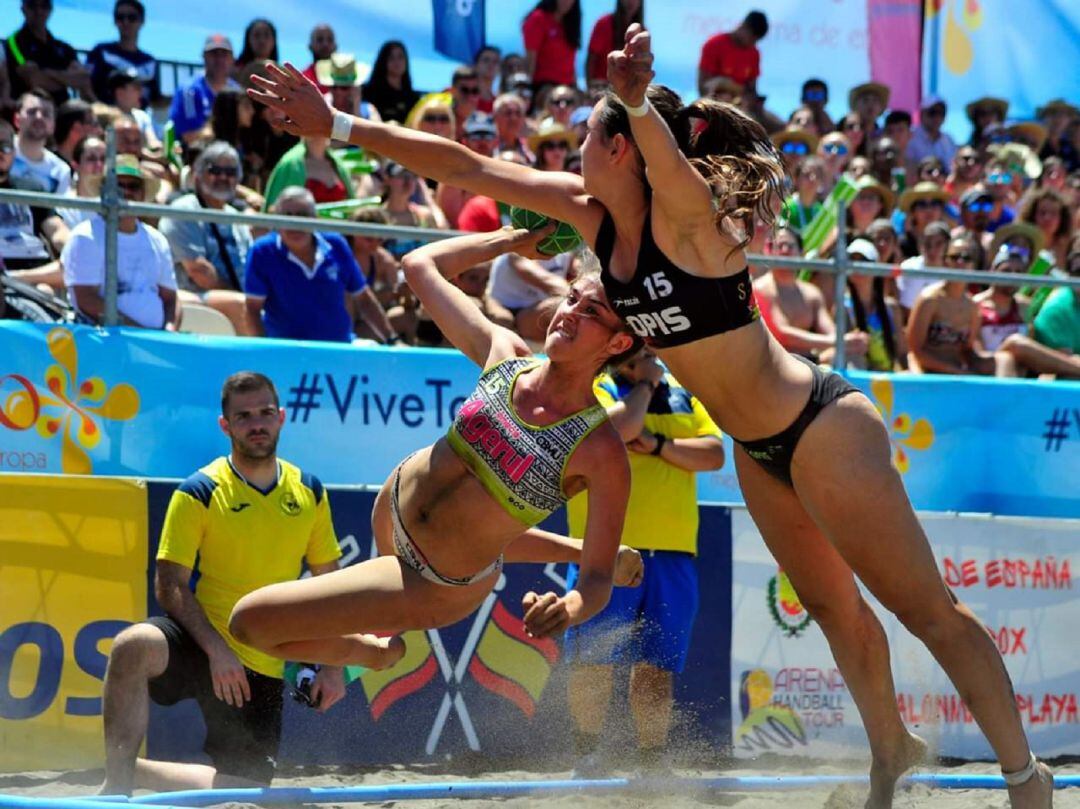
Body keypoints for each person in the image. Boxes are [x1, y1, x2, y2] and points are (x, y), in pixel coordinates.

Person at [250, 27, 1055, 805]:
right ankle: (892, 753)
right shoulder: (593, 221)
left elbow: (672, 170)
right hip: (756, 446)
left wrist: (636, 103)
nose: (572, 152)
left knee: (927, 612)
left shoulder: (691, 223)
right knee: (833, 608)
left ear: (623, 149)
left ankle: (1026, 779)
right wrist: (341, 124)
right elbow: (464, 162)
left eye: (588, 138)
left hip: (819, 423)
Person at [228, 226, 645, 687]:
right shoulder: (505, 353)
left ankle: (367, 653)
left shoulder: (601, 449)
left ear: (619, 343)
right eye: (571, 298)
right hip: (390, 514)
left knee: (249, 621)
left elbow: (598, 579)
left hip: (430, 580)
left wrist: (568, 607)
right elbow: (419, 266)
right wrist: (508, 240)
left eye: (592, 312)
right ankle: (362, 649)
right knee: (494, 514)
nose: (569, 314)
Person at [98, 372, 348, 795]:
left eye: (266, 413)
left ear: (282, 417)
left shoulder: (309, 491)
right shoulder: (200, 490)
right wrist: (217, 650)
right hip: (202, 641)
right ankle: (116, 781)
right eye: (244, 416)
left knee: (246, 792)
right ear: (225, 425)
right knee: (131, 646)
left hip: (264, 661)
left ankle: (135, 770)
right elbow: (170, 585)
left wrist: (335, 665)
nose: (257, 424)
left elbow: (333, 586)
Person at [564, 346, 723, 775]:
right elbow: (619, 429)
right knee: (593, 659)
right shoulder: (593, 383)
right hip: (604, 548)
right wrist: (648, 387)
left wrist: (654, 445)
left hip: (672, 553)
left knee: (657, 665)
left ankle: (652, 762)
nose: (651, 350)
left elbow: (713, 453)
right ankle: (586, 756)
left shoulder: (686, 391)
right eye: (642, 345)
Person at [244, 187, 395, 344]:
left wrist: (393, 340)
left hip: (339, 348)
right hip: (286, 355)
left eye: (302, 215)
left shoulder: (336, 244)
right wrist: (263, 359)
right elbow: (252, 310)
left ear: (315, 218)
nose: (295, 223)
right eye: (287, 216)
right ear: (276, 219)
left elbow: (364, 300)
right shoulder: (262, 251)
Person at [62, 155, 178, 330]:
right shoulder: (85, 236)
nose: (126, 192)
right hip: (106, 341)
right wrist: (139, 334)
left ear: (143, 194)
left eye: (134, 186)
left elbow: (170, 298)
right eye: (118, 186)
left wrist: (170, 334)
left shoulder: (157, 239)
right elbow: (86, 299)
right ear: (104, 192)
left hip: (154, 342)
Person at [159, 142, 252, 334]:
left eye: (231, 172)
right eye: (215, 170)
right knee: (244, 307)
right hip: (194, 300)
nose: (223, 177)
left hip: (236, 300)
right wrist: (240, 297)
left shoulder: (237, 218)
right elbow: (198, 271)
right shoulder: (182, 210)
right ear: (198, 175)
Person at [752, 226, 850, 362]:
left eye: (790, 246)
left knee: (849, 355)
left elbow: (831, 331)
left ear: (801, 253)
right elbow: (782, 333)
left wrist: (843, 342)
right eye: (779, 245)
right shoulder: (760, 289)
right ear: (769, 251)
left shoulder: (812, 293)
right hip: (773, 364)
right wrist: (839, 341)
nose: (785, 251)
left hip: (808, 362)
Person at [906, 235, 990, 375]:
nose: (960, 262)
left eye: (966, 258)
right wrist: (953, 370)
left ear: (974, 265)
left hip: (956, 372)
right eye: (955, 256)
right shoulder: (929, 299)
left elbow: (967, 350)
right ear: (946, 261)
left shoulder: (973, 307)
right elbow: (916, 350)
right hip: (926, 372)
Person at [0, 118, 68, 272]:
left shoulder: (31, 187)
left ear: (14, 151)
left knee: (48, 288)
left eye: (4, 147)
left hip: (32, 273)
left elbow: (56, 229)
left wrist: (70, 246)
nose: (0, 153)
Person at [4, 0, 91, 107]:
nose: (39, 11)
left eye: (44, 6)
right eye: (32, 5)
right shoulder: (13, 43)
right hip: (30, 111)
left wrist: (47, 73)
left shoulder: (64, 47)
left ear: (51, 9)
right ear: (23, 9)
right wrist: (67, 79)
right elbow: (35, 81)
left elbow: (83, 79)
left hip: (63, 111)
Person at [842, 238, 906, 372]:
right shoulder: (843, 307)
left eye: (863, 261)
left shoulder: (891, 307)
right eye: (852, 260)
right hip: (861, 381)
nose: (857, 266)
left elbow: (902, 352)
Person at [170, 35, 242, 145]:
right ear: (203, 56)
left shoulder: (238, 92)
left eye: (224, 54)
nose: (219, 59)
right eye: (214, 54)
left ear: (233, 59)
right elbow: (189, 136)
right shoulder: (188, 91)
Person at [86, 0, 160, 106]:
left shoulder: (150, 62)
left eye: (132, 17)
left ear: (142, 21)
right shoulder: (101, 51)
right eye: (120, 17)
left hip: (138, 119)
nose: (125, 22)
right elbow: (85, 87)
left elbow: (155, 99)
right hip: (105, 118)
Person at [12, 91, 71, 195]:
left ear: (53, 126)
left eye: (46, 114)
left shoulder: (60, 171)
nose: (39, 117)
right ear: (17, 120)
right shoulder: (3, 153)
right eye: (32, 112)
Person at [697, 11, 768, 97]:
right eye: (752, 39)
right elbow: (703, 87)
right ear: (744, 27)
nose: (753, 44)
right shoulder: (714, 45)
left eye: (756, 41)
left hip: (741, 104)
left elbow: (752, 90)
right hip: (716, 103)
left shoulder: (754, 53)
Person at [522, 0, 581, 91]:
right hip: (543, 86)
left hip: (568, 86)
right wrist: (527, 91)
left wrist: (576, 88)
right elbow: (530, 60)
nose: (567, 2)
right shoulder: (538, 18)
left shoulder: (570, 23)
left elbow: (570, 63)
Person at [896, 220, 951, 318]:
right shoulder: (908, 267)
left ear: (947, 245)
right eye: (927, 243)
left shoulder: (952, 273)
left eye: (938, 244)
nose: (932, 249)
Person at [361, 41, 420, 124]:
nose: (397, 62)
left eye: (400, 57)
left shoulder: (413, 98)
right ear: (383, 61)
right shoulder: (369, 93)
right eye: (391, 58)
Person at [586, 0, 642, 84]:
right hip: (601, 87)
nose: (631, 1)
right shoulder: (604, 23)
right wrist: (590, 86)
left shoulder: (641, 33)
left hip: (627, 91)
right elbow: (591, 59)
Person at [907, 95, 957, 168]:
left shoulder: (949, 140)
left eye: (941, 113)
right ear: (921, 114)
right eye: (932, 112)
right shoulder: (910, 137)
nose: (937, 117)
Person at [233, 18, 278, 87]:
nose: (262, 40)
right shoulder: (234, 71)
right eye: (256, 35)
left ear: (274, 41)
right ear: (248, 40)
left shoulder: (281, 74)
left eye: (266, 35)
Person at [53, 99, 97, 167]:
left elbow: (118, 172)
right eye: (93, 123)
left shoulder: (98, 159)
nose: (99, 130)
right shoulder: (48, 165)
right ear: (77, 127)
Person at [301, 24, 337, 93]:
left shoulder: (348, 80)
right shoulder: (302, 80)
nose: (325, 44)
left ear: (335, 46)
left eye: (330, 40)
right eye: (320, 40)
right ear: (310, 46)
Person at [474, 45, 501, 113]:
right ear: (475, 66)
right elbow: (443, 107)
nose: (491, 64)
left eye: (495, 61)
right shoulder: (451, 92)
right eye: (486, 60)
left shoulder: (500, 105)